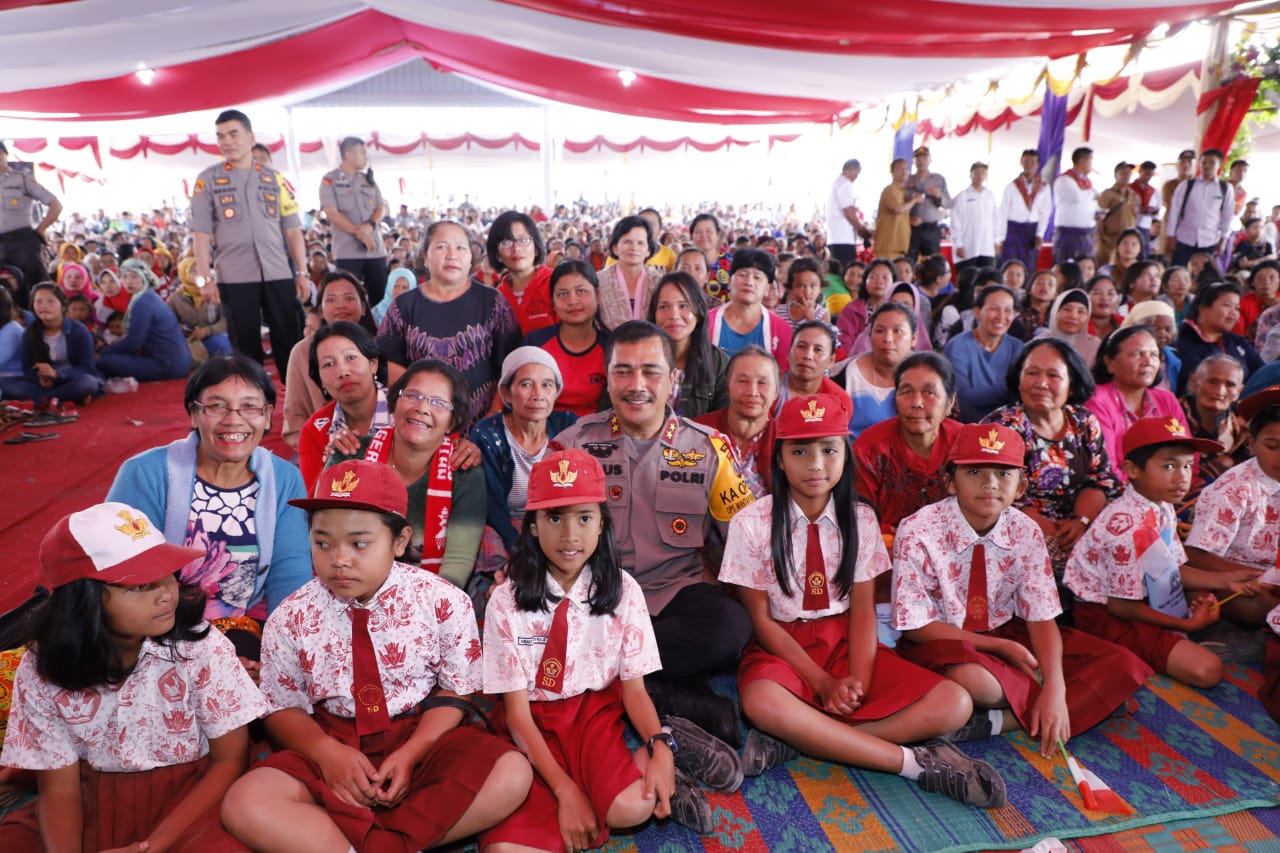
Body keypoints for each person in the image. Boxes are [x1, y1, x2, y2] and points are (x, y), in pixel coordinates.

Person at [222, 460, 531, 853]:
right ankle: (396, 841)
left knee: (511, 773)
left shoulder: (444, 601)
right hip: (330, 737)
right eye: (322, 542)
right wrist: (327, 754)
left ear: (400, 542)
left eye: (359, 543)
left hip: (421, 736)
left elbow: (456, 692)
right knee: (245, 802)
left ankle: (363, 841)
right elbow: (282, 707)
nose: (339, 559)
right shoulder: (289, 617)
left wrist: (411, 753)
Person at [721, 394, 1007, 808]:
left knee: (955, 703)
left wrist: (858, 681)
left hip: (846, 642)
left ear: (845, 455)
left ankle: (806, 741)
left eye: (829, 450)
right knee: (762, 702)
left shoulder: (861, 519)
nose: (816, 463)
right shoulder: (752, 522)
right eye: (799, 450)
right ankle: (912, 763)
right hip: (782, 648)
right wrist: (821, 683)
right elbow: (762, 622)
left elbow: (861, 610)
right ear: (779, 459)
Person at [480, 448, 726, 844]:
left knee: (633, 809)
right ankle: (574, 794)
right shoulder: (504, 602)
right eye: (554, 518)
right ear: (533, 527)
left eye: (584, 517)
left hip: (593, 715)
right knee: (510, 848)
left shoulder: (624, 591)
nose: (570, 535)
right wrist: (565, 791)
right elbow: (517, 716)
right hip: (531, 723)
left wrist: (660, 745)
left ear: (601, 525)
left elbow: (633, 690)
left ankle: (668, 750)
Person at [0, 502, 267, 851]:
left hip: (193, 799)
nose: (166, 594)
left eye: (167, 574)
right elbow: (60, 789)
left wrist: (153, 846)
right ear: (85, 601)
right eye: (140, 587)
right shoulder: (41, 668)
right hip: (91, 798)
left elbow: (229, 760)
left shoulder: (200, 646)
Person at [891, 423, 1152, 756]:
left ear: (1021, 487)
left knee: (1120, 663)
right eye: (974, 472)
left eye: (1003, 474)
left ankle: (1003, 720)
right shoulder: (918, 529)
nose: (989, 484)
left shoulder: (1026, 530)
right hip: (947, 640)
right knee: (977, 683)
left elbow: (1042, 618)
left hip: (1010, 633)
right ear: (949, 482)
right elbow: (916, 627)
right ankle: (1080, 704)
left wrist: (1055, 688)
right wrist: (997, 646)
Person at [553, 321, 755, 744]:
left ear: (673, 380)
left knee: (731, 628)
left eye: (650, 371)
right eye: (622, 371)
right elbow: (548, 541)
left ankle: (621, 683)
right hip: (600, 598)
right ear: (608, 379)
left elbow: (747, 539)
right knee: (549, 635)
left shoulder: (707, 448)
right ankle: (673, 696)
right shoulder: (576, 446)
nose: (636, 385)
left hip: (674, 597)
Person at [106, 355, 310, 659]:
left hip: (241, 623)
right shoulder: (145, 472)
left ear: (268, 416)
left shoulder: (284, 478)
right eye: (216, 406)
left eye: (249, 407)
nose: (233, 419)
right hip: (155, 623)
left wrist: (284, 650)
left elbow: (290, 572)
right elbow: (121, 571)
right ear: (193, 414)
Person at [1063, 418, 1253, 689]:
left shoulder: (1160, 505)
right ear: (1132, 469)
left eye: (1187, 465)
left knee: (1206, 597)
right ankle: (1164, 640)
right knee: (1208, 671)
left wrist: (1228, 579)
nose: (1182, 477)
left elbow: (1172, 567)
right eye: (1169, 466)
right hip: (1105, 614)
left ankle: (1178, 633)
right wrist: (1187, 626)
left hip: (1144, 592)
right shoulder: (1126, 529)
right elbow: (1120, 606)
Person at [329, 359, 486, 591]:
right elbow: (320, 534)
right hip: (348, 588)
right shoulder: (350, 455)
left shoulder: (464, 472)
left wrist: (426, 612)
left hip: (429, 598)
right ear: (395, 402)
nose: (422, 407)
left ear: (452, 422)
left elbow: (458, 562)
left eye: (438, 402)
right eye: (412, 395)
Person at [981, 338, 1119, 578]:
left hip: (1079, 522)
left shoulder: (1084, 422)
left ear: (1072, 385)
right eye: (1032, 373)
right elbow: (993, 493)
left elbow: (1100, 480)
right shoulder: (1002, 426)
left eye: (1053, 376)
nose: (1041, 383)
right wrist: (1050, 532)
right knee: (1055, 561)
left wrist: (1080, 522)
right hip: (1019, 524)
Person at [190, 109, 307, 374]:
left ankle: (297, 403)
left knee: (289, 340)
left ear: (251, 137)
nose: (226, 141)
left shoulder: (274, 179)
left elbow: (292, 229)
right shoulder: (207, 180)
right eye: (220, 136)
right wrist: (204, 279)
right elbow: (201, 233)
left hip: (277, 271)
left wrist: (301, 272)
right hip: (234, 276)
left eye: (234, 134)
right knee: (245, 346)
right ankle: (252, 404)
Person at [377, 220, 521, 432]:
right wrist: (421, 398)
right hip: (421, 427)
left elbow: (512, 365)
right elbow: (384, 363)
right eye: (442, 246)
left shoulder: (493, 302)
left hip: (484, 430)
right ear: (425, 256)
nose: (452, 255)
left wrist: (491, 418)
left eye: (461, 247)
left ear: (471, 258)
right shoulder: (403, 306)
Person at [471, 347, 578, 579]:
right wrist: (517, 547)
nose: (538, 394)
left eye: (547, 385)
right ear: (507, 394)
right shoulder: (488, 433)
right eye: (526, 384)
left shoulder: (568, 426)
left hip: (553, 521)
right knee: (484, 541)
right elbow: (490, 502)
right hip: (503, 525)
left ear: (556, 393)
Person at [1184, 384, 1280, 628]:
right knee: (1256, 606)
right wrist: (1261, 576)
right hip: (1238, 578)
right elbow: (1195, 554)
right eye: (1272, 446)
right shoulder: (1235, 488)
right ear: (1251, 442)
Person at [854, 352, 963, 533]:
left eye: (929, 392)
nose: (917, 403)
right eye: (906, 392)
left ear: (950, 402)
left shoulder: (965, 445)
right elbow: (860, 518)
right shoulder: (869, 448)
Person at [283, 270, 379, 449]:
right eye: (331, 299)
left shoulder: (380, 345)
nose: (341, 306)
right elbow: (294, 421)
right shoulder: (302, 352)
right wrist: (324, 447)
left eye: (349, 298)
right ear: (320, 310)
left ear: (364, 307)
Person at [297, 321, 391, 494]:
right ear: (320, 380)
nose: (342, 371)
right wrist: (332, 461)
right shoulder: (314, 430)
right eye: (328, 364)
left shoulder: (407, 410)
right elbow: (310, 504)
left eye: (351, 357)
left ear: (373, 364)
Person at [695, 346, 781, 500]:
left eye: (762, 382)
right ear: (727, 387)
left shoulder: (786, 440)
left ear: (776, 393)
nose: (752, 391)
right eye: (742, 381)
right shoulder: (698, 433)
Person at [526, 260, 609, 417]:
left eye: (581, 291)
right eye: (563, 294)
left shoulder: (612, 348)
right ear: (553, 303)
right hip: (543, 434)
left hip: (597, 434)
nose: (572, 301)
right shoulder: (535, 345)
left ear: (597, 296)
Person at [1177, 355, 1250, 533]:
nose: (1220, 390)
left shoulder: (1242, 422)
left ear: (1239, 391)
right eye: (1212, 381)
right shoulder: (1175, 414)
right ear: (1194, 383)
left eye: (1230, 385)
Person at [0, 282, 102, 405]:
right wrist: (41, 377)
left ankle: (44, 399)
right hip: (43, 384)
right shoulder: (30, 332)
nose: (44, 306)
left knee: (87, 382)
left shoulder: (79, 331)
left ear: (63, 306)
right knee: (7, 385)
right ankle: (57, 398)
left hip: (70, 379)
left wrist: (57, 374)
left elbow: (87, 368)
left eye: (50, 301)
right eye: (38, 302)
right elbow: (28, 367)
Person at [648, 271, 728, 419]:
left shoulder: (719, 364)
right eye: (664, 307)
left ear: (699, 311)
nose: (674, 315)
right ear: (654, 314)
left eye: (684, 306)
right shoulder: (637, 358)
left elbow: (722, 425)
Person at [97, 258, 192, 382]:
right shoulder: (148, 296)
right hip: (179, 362)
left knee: (103, 362)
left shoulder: (142, 301)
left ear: (144, 278)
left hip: (167, 365)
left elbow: (133, 343)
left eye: (134, 277)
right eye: (124, 277)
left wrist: (103, 352)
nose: (128, 282)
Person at [319, 136, 389, 305]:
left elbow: (381, 207)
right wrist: (358, 232)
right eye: (363, 153)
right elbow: (331, 213)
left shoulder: (368, 180)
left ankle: (381, 332)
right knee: (348, 298)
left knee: (380, 300)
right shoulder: (330, 180)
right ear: (349, 154)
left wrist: (369, 227)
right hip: (347, 251)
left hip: (375, 250)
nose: (366, 157)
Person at [944, 285, 1023, 422]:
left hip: (1009, 427)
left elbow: (1020, 395)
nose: (1001, 316)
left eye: (1008, 310)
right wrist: (1007, 390)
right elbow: (964, 398)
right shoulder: (958, 346)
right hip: (967, 425)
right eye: (994, 309)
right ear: (977, 312)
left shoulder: (1017, 347)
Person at [839, 302, 917, 438]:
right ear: (870, 336)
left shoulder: (927, 375)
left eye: (897, 331)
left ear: (914, 338)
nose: (887, 339)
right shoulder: (845, 376)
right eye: (880, 331)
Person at [0, 140, 62, 308]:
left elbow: (55, 205)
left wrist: (41, 228)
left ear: (6, 155)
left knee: (36, 283)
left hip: (22, 240)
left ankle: (42, 322)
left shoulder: (22, 179)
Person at [707, 248, 792, 369]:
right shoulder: (707, 322)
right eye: (742, 275)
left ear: (767, 288)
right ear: (730, 282)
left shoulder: (781, 330)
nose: (749, 282)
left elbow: (782, 377)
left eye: (757, 277)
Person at [1174, 281, 1263, 395]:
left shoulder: (1236, 341)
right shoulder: (1182, 341)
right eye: (1227, 305)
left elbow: (1262, 374)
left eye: (1237, 308)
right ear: (1203, 309)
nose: (1234, 313)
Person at [489, 209, 555, 336]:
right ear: (497, 254)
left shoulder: (555, 282)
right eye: (506, 242)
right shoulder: (497, 297)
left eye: (523, 240)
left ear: (536, 248)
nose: (516, 248)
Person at [1167, 149, 1234, 268]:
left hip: (1210, 240)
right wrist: (1171, 235)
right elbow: (1174, 211)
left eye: (1212, 163)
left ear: (1219, 165)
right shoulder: (1187, 185)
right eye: (1204, 162)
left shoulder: (1226, 188)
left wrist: (1223, 239)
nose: (1207, 166)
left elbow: (1227, 216)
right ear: (1199, 164)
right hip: (1184, 238)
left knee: (1205, 275)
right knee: (1178, 270)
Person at [597, 216, 664, 331]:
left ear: (648, 250)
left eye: (640, 243)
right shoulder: (598, 281)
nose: (634, 247)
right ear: (615, 248)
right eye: (627, 242)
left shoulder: (659, 282)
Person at [168, 256, 232, 365]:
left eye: (199, 270)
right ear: (184, 274)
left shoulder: (215, 291)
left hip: (213, 335)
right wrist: (181, 329)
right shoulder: (176, 298)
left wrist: (206, 331)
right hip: (189, 339)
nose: (197, 274)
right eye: (192, 271)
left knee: (222, 344)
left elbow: (226, 321)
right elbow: (168, 321)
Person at [997, 149, 1051, 273]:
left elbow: (1045, 212)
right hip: (1013, 230)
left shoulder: (1044, 187)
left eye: (1033, 162)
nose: (1029, 165)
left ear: (1038, 165)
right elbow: (1003, 213)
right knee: (1007, 263)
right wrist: (1000, 237)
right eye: (1026, 161)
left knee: (1029, 265)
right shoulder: (1011, 187)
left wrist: (1040, 234)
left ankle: (1025, 291)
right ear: (1021, 163)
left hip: (1032, 230)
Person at [778, 319, 844, 407]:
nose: (808, 356)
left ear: (831, 361)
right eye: (801, 346)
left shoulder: (840, 401)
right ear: (788, 353)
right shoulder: (768, 388)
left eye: (818, 350)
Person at [1120, 300, 1181, 393]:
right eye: (1156, 328)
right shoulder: (1125, 357)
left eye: (1168, 329)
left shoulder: (1174, 358)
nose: (1162, 334)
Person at [1052, 147, 1100, 264]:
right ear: (1082, 161)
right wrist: (1092, 194)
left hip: (1088, 232)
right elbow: (1077, 197)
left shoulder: (1088, 182)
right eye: (1090, 160)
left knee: (1086, 267)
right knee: (1066, 267)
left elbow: (1096, 200)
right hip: (1068, 233)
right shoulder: (1064, 179)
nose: (1091, 164)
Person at [951, 162, 999, 274]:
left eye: (983, 173)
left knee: (987, 280)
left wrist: (996, 241)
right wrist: (958, 244)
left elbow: (996, 220)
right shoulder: (963, 196)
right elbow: (955, 223)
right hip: (968, 247)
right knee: (968, 281)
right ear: (970, 175)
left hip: (986, 248)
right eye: (977, 173)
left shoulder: (990, 195)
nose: (980, 176)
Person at [904, 146, 951, 262]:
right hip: (912, 229)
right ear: (914, 161)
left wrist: (939, 195)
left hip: (932, 229)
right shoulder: (908, 180)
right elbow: (900, 203)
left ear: (930, 160)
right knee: (909, 261)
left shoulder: (938, 179)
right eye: (918, 158)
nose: (921, 161)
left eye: (924, 158)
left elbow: (948, 204)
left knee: (933, 264)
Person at [825, 158, 872, 268]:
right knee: (845, 270)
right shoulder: (845, 183)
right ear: (851, 169)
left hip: (834, 237)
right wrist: (861, 230)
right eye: (857, 172)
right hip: (843, 239)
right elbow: (848, 211)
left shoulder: (835, 183)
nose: (856, 177)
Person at [835, 257, 893, 347]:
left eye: (885, 277)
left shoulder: (898, 311)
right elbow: (844, 343)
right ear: (865, 281)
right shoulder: (851, 310)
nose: (879, 281)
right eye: (873, 277)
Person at [875, 159, 922, 260]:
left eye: (906, 169)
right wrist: (914, 201)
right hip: (888, 246)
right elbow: (897, 210)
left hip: (900, 246)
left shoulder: (904, 192)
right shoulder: (890, 190)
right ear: (892, 172)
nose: (904, 172)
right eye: (900, 169)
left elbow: (899, 216)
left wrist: (910, 221)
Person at [1095, 162, 1140, 267]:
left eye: (1129, 172)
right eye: (1123, 172)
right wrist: (1101, 238)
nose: (1127, 175)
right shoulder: (1107, 194)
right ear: (1116, 175)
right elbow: (1099, 217)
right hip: (1110, 240)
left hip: (1127, 238)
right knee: (1106, 266)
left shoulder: (1133, 195)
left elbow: (1135, 214)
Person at [776, 256, 832, 332]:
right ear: (791, 287)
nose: (807, 292)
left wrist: (811, 319)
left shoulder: (822, 314)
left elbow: (822, 338)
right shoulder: (780, 311)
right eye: (801, 286)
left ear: (820, 288)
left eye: (813, 286)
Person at [1160, 149, 1198, 256]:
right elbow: (1171, 207)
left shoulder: (1199, 186)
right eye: (1182, 162)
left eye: (1189, 162)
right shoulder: (1169, 185)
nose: (1186, 165)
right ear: (1177, 165)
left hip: (1190, 230)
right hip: (1171, 228)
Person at [689, 213, 733, 304]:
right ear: (692, 236)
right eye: (698, 232)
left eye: (709, 231)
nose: (704, 236)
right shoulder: (684, 261)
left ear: (718, 235)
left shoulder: (731, 263)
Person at [1236, 255, 1280, 339]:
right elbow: (1238, 338)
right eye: (1260, 278)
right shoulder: (1242, 304)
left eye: (1272, 278)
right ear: (1252, 282)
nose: (1266, 282)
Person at [1131, 160, 1161, 249]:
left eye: (1151, 174)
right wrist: (1139, 209)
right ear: (1140, 171)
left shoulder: (1155, 192)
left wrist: (1153, 211)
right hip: (1132, 224)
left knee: (1144, 252)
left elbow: (1157, 210)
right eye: (1146, 174)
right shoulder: (1130, 189)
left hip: (1146, 226)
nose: (1149, 177)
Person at [1086, 273, 1123, 340]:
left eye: (1110, 293)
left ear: (1119, 298)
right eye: (1097, 293)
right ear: (1085, 297)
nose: (1104, 298)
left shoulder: (1126, 324)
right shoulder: (1077, 324)